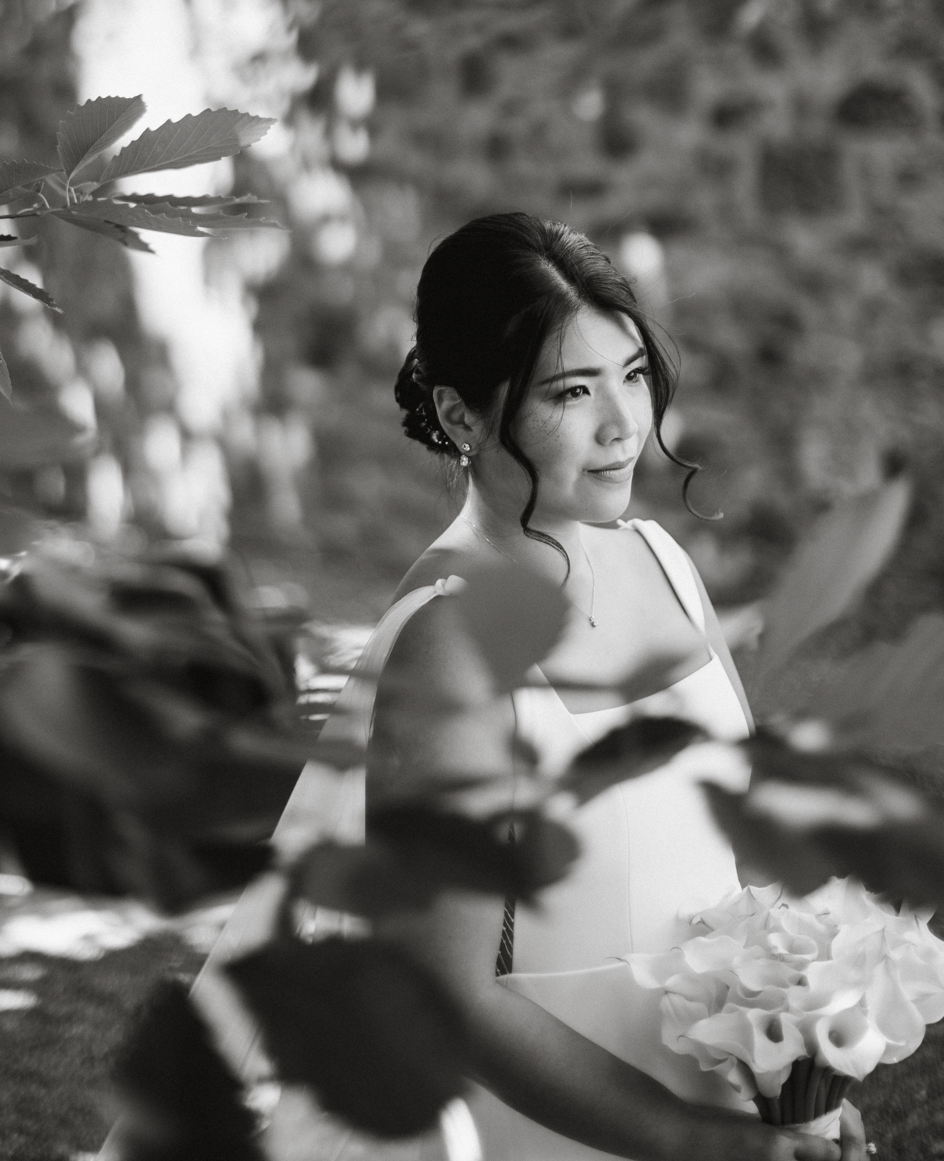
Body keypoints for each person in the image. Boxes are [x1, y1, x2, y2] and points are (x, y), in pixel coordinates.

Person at [363, 213, 869, 1161]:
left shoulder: (663, 558)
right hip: (555, 1128)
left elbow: (743, 843)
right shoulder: (454, 645)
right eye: (570, 392)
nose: (623, 426)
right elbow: (443, 987)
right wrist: (684, 1138)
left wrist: (805, 1074)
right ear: (462, 414)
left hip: (723, 1101)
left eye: (633, 376)